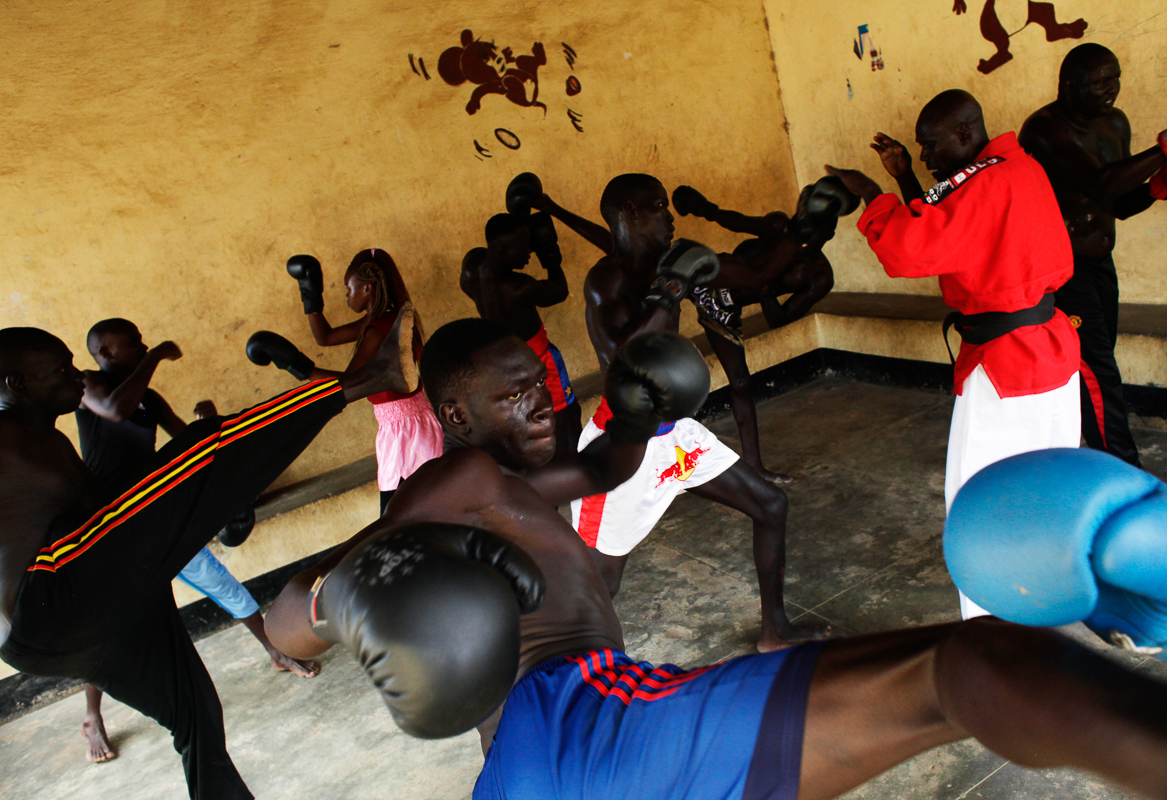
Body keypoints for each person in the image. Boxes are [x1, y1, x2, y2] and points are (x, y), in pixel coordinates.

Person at [266, 319, 1167, 800]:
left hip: (520, 768)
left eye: (541, 385)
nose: (543, 404)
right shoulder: (458, 476)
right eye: (516, 398)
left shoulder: (507, 477)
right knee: (968, 666)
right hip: (579, 715)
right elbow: (286, 616)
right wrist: (337, 603)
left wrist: (638, 413)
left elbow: (601, 468)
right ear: (457, 416)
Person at [0, 320, 412, 799]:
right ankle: (368, 378)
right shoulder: (6, 437)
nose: (76, 375)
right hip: (48, 598)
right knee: (202, 448)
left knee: (196, 714)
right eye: (61, 369)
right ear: (18, 383)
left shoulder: (45, 439)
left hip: (63, 632)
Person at [826, 89, 1081, 620]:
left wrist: (874, 196)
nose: (925, 158)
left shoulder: (983, 182)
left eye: (931, 145)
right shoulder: (1018, 167)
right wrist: (903, 178)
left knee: (980, 504)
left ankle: (991, 632)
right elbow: (949, 218)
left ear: (965, 134)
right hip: (1051, 352)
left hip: (1007, 368)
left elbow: (908, 248)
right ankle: (1045, 603)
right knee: (1048, 493)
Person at [575, 172, 846, 652]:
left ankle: (775, 630)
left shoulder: (674, 260)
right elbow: (623, 360)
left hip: (673, 432)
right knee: (601, 578)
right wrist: (669, 289)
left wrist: (801, 228)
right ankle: (569, 671)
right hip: (622, 444)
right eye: (659, 206)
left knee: (771, 505)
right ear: (631, 213)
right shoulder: (606, 280)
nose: (669, 217)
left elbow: (757, 275)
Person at [73, 318, 319, 763]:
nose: (142, 345)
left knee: (218, 581)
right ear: (105, 353)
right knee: (110, 622)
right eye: (133, 343)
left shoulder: (147, 398)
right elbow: (114, 409)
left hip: (154, 512)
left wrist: (207, 424)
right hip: (112, 525)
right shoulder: (90, 385)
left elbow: (187, 442)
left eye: (143, 342)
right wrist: (155, 356)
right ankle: (92, 715)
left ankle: (275, 649)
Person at [1018, 43, 1167, 467]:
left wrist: (1163, 186)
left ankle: (1082, 457)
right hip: (1061, 269)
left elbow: (1119, 202)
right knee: (1098, 371)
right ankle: (1124, 472)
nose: (1111, 89)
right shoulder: (1043, 129)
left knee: (1094, 366)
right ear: (1069, 85)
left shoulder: (1115, 123)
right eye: (1100, 83)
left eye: (1115, 79)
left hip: (1100, 264)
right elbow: (1100, 183)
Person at [669, 181, 850, 483]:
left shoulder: (819, 276)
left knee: (740, 381)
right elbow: (733, 220)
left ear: (829, 234)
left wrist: (764, 292)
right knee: (658, 311)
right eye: (808, 224)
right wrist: (703, 208)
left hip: (723, 309)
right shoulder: (779, 227)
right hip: (709, 275)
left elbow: (780, 319)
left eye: (819, 230)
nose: (810, 235)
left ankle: (754, 466)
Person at [287, 248, 441, 513]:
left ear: (367, 289)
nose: (347, 296)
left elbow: (350, 383)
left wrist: (299, 367)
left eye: (349, 289)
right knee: (416, 512)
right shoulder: (384, 319)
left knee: (399, 517)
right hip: (410, 424)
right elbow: (325, 337)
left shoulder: (379, 329)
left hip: (405, 433)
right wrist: (310, 294)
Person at [460, 199, 583, 454]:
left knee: (528, 418)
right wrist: (549, 255)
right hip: (538, 359)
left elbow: (498, 242)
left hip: (503, 362)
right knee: (566, 417)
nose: (530, 250)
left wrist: (521, 223)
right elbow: (559, 291)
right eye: (524, 246)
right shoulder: (518, 287)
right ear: (503, 249)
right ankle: (574, 467)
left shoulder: (472, 267)